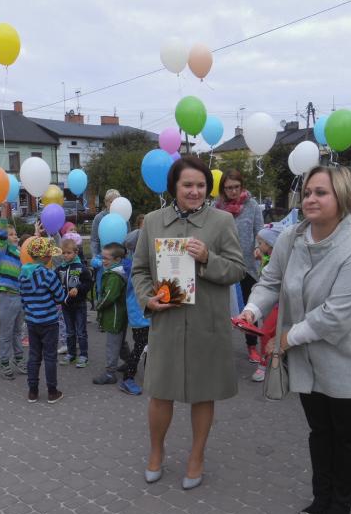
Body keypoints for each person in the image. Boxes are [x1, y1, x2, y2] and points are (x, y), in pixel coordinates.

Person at [241, 165, 351, 514]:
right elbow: (270, 281)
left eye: (321, 192)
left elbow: (334, 317)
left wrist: (284, 340)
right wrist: (252, 309)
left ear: (343, 198)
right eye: (307, 192)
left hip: (348, 357)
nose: (311, 199)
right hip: (307, 355)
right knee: (319, 431)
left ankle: (340, 504)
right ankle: (320, 497)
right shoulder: (291, 237)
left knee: (346, 436)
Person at [133, 156, 246, 491]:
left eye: (200, 185)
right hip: (167, 322)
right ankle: (156, 452)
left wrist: (209, 258)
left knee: (202, 394)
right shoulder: (152, 222)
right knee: (160, 393)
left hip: (205, 324)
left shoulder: (222, 221)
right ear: (174, 187)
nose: (195, 191)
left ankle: (197, 456)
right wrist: (146, 298)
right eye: (187, 185)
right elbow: (139, 270)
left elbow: (238, 270)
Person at [215, 169, 264, 364]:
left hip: (247, 266)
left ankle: (251, 346)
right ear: (223, 189)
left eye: (236, 187)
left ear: (242, 186)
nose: (233, 191)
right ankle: (219, 345)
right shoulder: (216, 207)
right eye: (228, 188)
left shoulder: (251, 206)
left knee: (249, 307)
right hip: (223, 264)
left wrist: (260, 248)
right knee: (220, 307)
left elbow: (260, 231)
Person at [19, 237, 67, 404]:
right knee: (50, 357)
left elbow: (23, 299)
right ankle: (52, 392)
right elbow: (60, 297)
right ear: (47, 256)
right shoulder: (49, 275)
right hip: (49, 322)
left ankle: (32, 391)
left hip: (32, 322)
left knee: (34, 356)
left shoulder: (23, 274)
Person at [0, 204, 27, 379]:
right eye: (11, 234)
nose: (14, 236)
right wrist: (3, 213)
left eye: (15, 234)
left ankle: (19, 359)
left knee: (17, 332)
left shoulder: (20, 252)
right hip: (8, 297)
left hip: (19, 297)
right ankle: (4, 362)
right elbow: (1, 233)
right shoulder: (2, 251)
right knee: (6, 333)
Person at [249, 224, 282, 383]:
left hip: (281, 304)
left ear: (270, 244)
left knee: (267, 331)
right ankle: (270, 361)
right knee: (269, 331)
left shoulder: (280, 259)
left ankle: (263, 364)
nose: (258, 245)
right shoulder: (268, 257)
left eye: (261, 242)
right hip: (271, 303)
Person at [92, 243, 128, 387]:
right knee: (120, 342)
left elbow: (109, 296)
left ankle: (110, 373)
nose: (103, 261)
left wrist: (99, 305)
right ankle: (131, 361)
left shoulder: (114, 276)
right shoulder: (115, 272)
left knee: (112, 344)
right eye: (102, 257)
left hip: (114, 316)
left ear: (117, 259)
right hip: (119, 315)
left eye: (107, 258)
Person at [120, 225, 150, 396]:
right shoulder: (136, 266)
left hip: (146, 315)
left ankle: (151, 377)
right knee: (140, 347)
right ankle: (127, 378)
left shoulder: (139, 263)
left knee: (150, 347)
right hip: (140, 316)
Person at [56, 235, 92, 368]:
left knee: (81, 331)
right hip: (65, 305)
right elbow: (54, 282)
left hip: (79, 305)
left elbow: (88, 283)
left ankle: (83, 355)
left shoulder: (81, 268)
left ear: (75, 252)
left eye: (69, 253)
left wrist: (78, 289)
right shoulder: (60, 269)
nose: (66, 255)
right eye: (63, 253)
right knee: (69, 331)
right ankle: (71, 354)